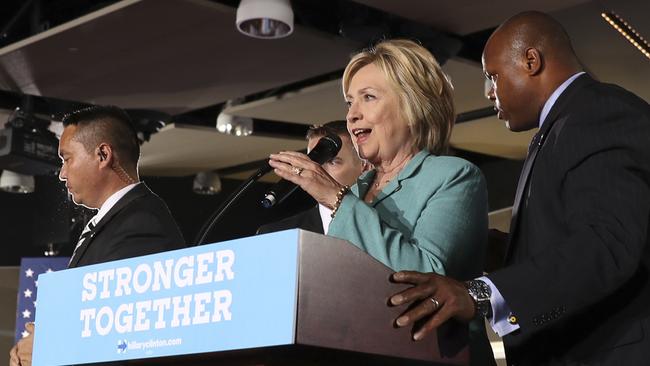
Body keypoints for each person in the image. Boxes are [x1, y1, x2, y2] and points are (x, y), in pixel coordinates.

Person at [389, 11, 650, 366]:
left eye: (492, 76)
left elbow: (605, 245)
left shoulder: (596, 112)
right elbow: (579, 236)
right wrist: (508, 251)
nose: (488, 92)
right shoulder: (564, 126)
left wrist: (480, 294)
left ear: (531, 61)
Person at [269, 39, 493, 364]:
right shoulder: (357, 190)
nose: (352, 115)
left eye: (368, 98)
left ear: (412, 106)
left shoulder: (454, 176)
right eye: (349, 102)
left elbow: (426, 277)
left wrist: (335, 197)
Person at [9, 105, 186, 366]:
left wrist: (48, 346)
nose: (62, 173)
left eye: (67, 159)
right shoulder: (116, 220)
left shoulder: (142, 223)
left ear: (103, 154)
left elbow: (125, 329)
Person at [258, 120, 368, 234]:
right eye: (312, 162)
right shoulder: (277, 235)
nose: (316, 171)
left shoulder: (381, 227)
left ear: (365, 166)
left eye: (332, 162)